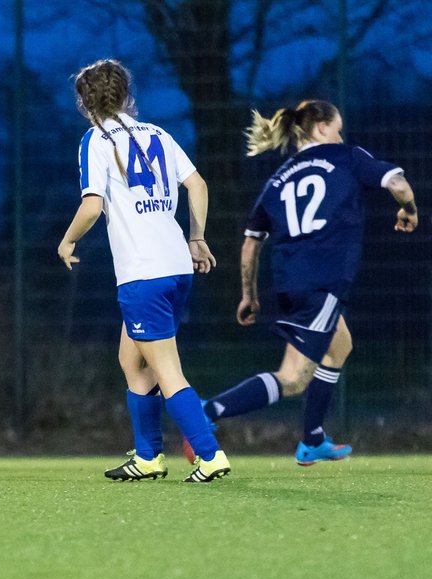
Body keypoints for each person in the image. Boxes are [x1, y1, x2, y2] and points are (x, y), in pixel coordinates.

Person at [191, 100, 417, 465]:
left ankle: (312, 438)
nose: (341, 135)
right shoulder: (346, 156)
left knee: (339, 345)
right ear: (321, 127)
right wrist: (409, 208)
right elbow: (399, 185)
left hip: (290, 281)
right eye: (338, 128)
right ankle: (205, 412)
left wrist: (248, 295)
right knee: (293, 378)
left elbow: (250, 243)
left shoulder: (279, 177)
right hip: (323, 282)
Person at [57, 59, 230, 483]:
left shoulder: (95, 139)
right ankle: (149, 456)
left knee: (166, 370)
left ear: (84, 103)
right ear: (127, 97)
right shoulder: (158, 133)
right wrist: (196, 238)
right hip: (174, 268)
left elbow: (92, 206)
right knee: (131, 361)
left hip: (143, 275)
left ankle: (210, 455)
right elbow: (198, 185)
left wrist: (67, 240)